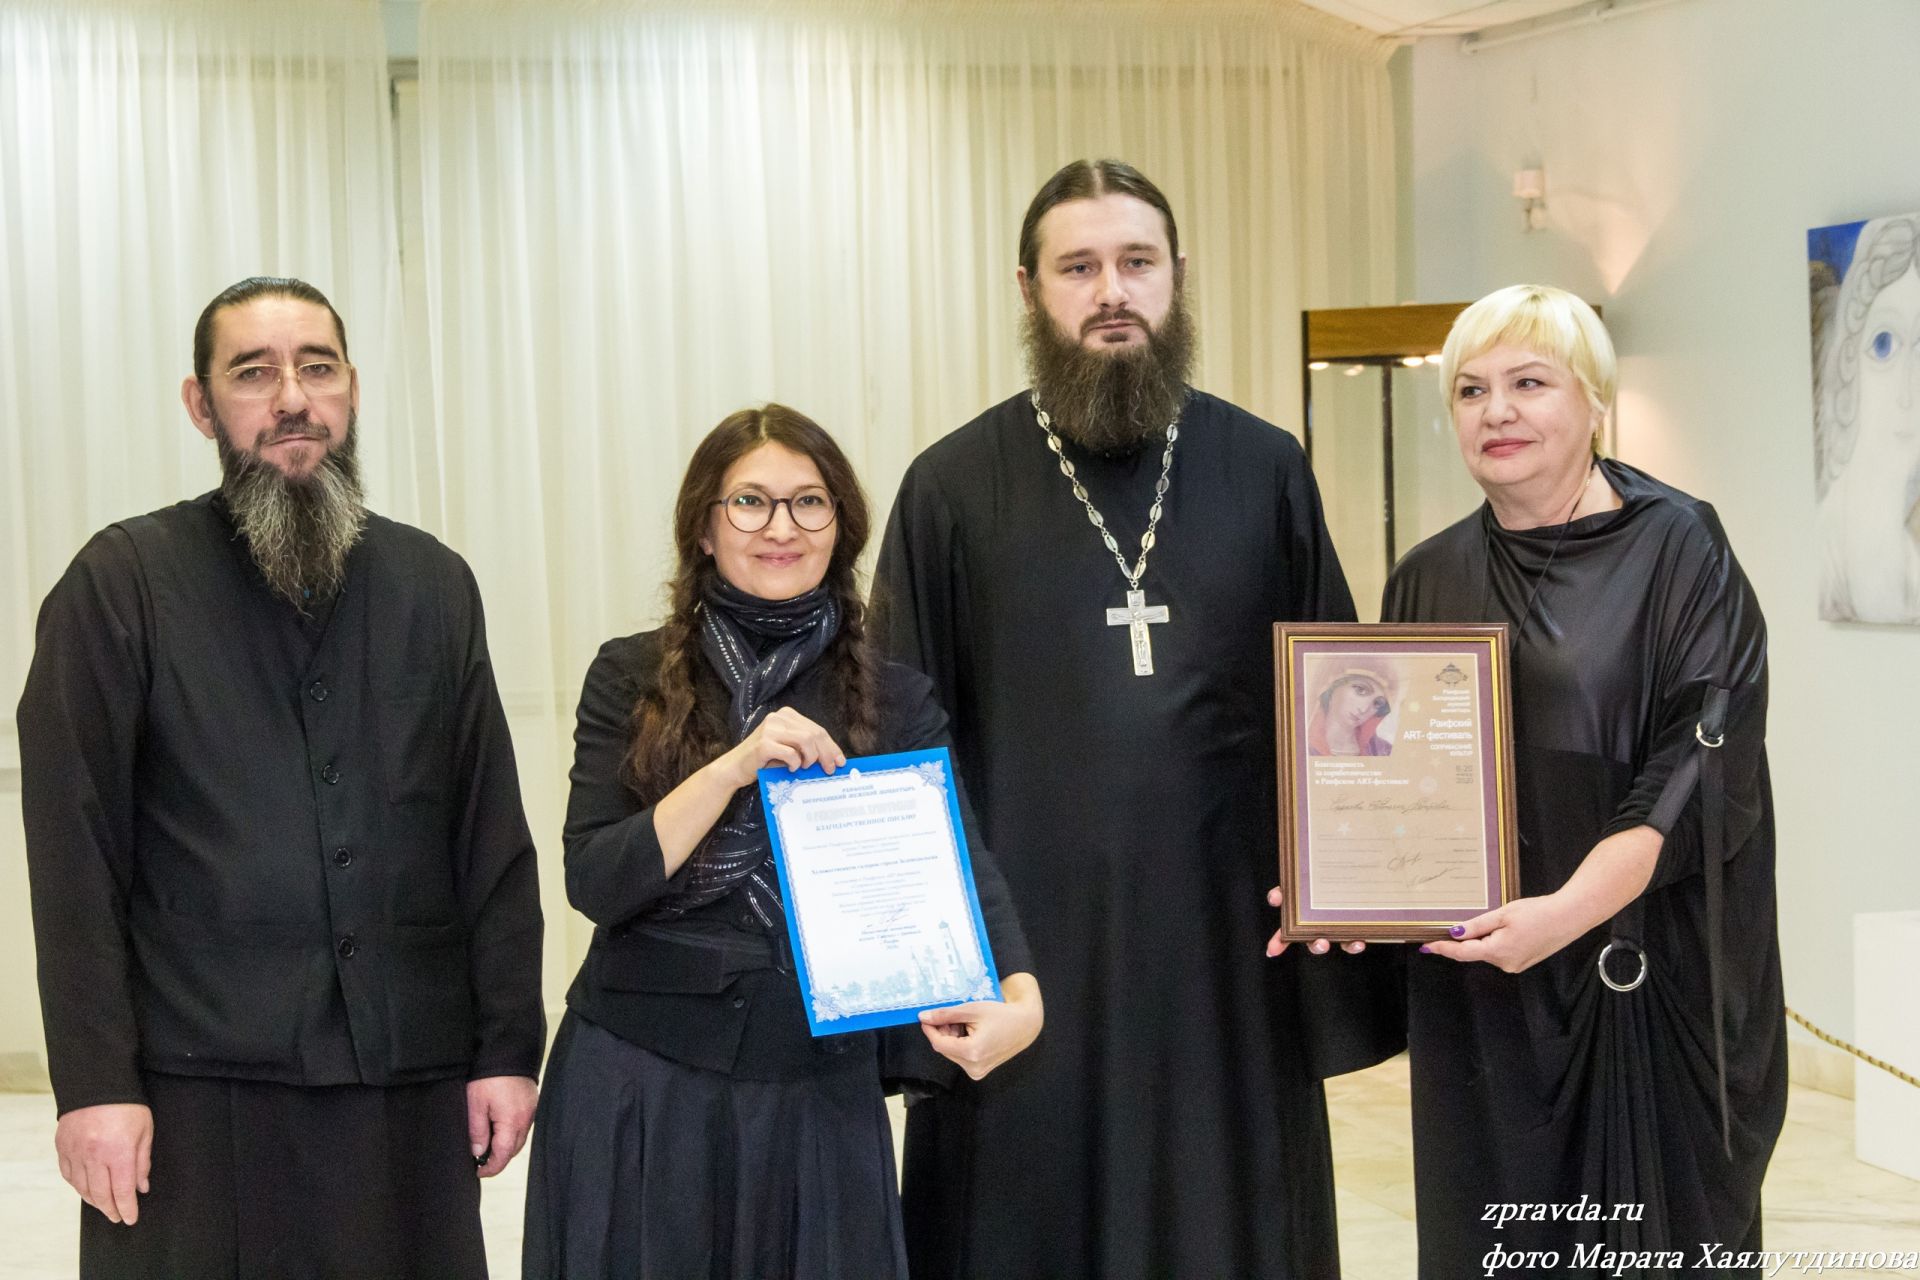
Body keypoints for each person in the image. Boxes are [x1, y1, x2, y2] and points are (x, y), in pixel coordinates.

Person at [875, 158, 1403, 1280]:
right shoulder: (954, 489)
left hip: (1226, 963)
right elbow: (898, 754)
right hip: (1027, 967)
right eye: (1079, 266)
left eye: (1136, 262)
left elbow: (1345, 712)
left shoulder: (1263, 469)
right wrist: (944, 958)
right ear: (1030, 291)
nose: (1111, 289)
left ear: (1176, 279)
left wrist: (1352, 878)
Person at [17, 276, 545, 1278]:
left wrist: (507, 1044)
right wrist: (93, 1082)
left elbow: (489, 837)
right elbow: (73, 857)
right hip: (196, 1088)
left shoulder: (434, 585)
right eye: (253, 373)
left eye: (317, 366)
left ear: (351, 387)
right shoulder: (122, 583)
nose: (291, 396)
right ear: (201, 404)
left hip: (405, 1073)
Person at [522, 404, 1041, 1280]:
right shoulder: (629, 673)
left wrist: (1022, 997)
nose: (781, 528)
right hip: (639, 1078)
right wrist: (730, 772)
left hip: (815, 1086)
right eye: (751, 503)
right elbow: (597, 879)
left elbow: (961, 869)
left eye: (810, 503)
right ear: (704, 524)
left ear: (841, 528)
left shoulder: (896, 697)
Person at [1384, 285, 1786, 1275]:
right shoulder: (1425, 576)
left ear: (1595, 400)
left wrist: (1566, 912)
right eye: (1471, 389)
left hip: (1639, 975)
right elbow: (1392, 779)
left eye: (1530, 382)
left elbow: (1699, 760)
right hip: (1484, 990)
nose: (1497, 410)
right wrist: (1354, 889)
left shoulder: (1680, 546)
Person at [1811, 212, 1920, 623]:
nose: (1908, 393)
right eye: (1884, 345)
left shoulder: (1909, 550)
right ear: (1848, 366)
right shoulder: (1830, 540)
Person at [1308, 665, 1395, 757]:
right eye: (1360, 690)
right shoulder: (1300, 743)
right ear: (1333, 686)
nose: (1364, 709)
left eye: (1377, 703)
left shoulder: (1384, 751)